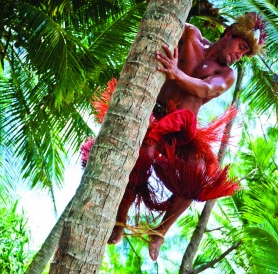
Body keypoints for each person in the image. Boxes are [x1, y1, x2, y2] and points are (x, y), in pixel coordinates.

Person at [106, 12, 267, 261]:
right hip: (152, 116)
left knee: (201, 175)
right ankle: (120, 217)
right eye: (240, 46)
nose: (239, 55)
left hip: (183, 130)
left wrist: (176, 74)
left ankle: (160, 231)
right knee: (144, 155)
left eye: (244, 53)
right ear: (228, 33)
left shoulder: (227, 74)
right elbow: (157, 26)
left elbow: (206, 89)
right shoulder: (190, 34)